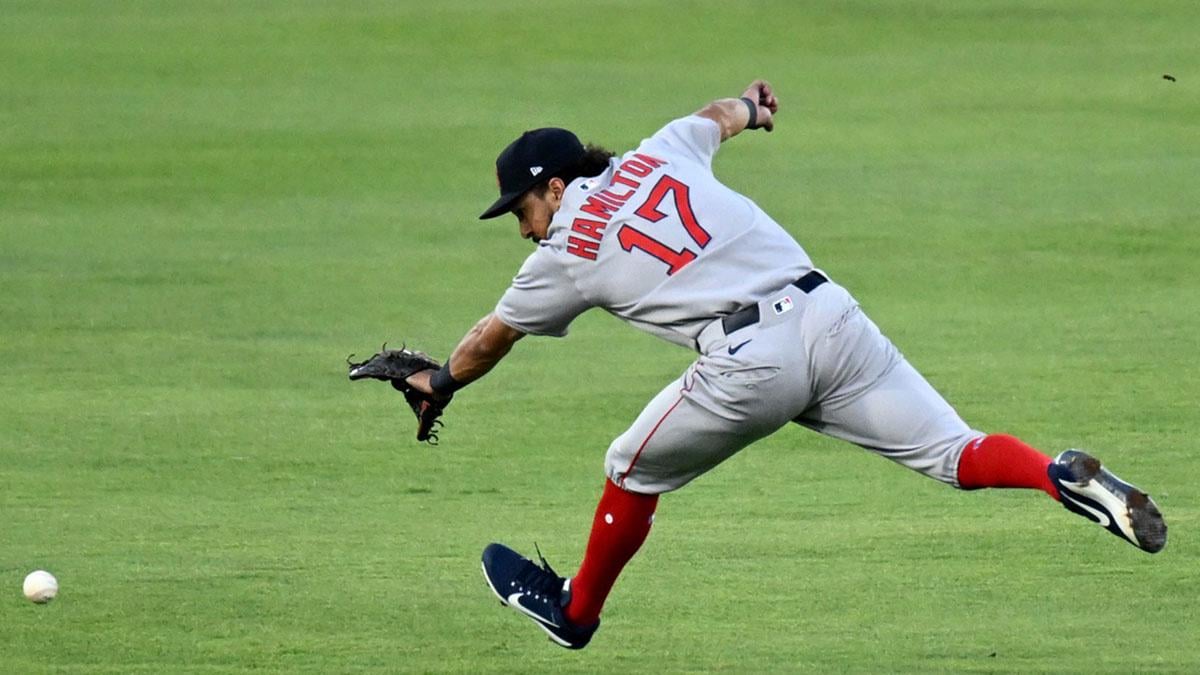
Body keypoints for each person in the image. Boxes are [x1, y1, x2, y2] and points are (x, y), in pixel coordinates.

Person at [403, 80, 1167, 650]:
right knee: (955, 451)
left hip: (748, 365)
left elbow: (491, 336)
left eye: (521, 208)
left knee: (628, 464)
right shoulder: (660, 149)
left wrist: (440, 381)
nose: (522, 225)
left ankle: (576, 614)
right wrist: (754, 105)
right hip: (830, 315)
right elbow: (717, 117)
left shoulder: (565, 247)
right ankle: (1053, 473)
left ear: (556, 188)